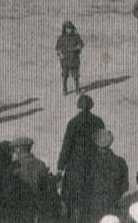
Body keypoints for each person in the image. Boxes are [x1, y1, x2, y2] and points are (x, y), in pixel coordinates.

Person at [58, 94, 105, 222]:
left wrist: (60, 166)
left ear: (79, 106)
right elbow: (102, 141)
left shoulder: (73, 123)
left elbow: (66, 146)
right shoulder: (98, 121)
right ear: (91, 105)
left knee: (74, 197)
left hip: (76, 164)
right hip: (93, 162)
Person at [89, 128, 128, 220]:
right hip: (113, 207)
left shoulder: (90, 162)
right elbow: (125, 186)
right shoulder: (120, 162)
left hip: (94, 208)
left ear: (96, 143)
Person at [56, 21, 85, 95]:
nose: (69, 30)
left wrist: (78, 47)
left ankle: (77, 90)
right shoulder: (61, 38)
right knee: (65, 75)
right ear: (65, 29)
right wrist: (60, 54)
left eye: (70, 28)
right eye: (67, 28)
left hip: (74, 59)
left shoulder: (76, 36)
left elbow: (81, 44)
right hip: (65, 60)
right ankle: (64, 90)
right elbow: (57, 48)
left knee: (76, 76)